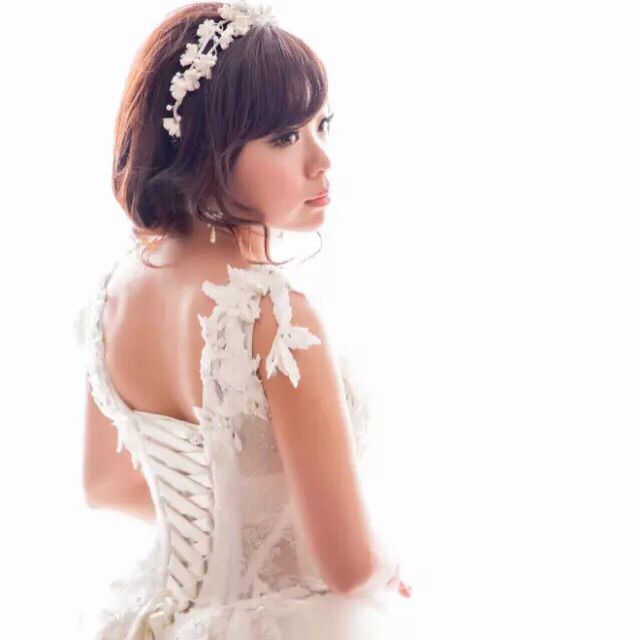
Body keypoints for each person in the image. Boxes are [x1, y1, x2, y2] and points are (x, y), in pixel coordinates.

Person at [74, 2, 413, 638]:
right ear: (205, 149)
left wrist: (228, 529)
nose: (321, 161)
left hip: (164, 615)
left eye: (321, 125)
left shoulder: (115, 295)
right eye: (285, 138)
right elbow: (348, 568)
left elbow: (106, 485)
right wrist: (390, 565)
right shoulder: (272, 316)